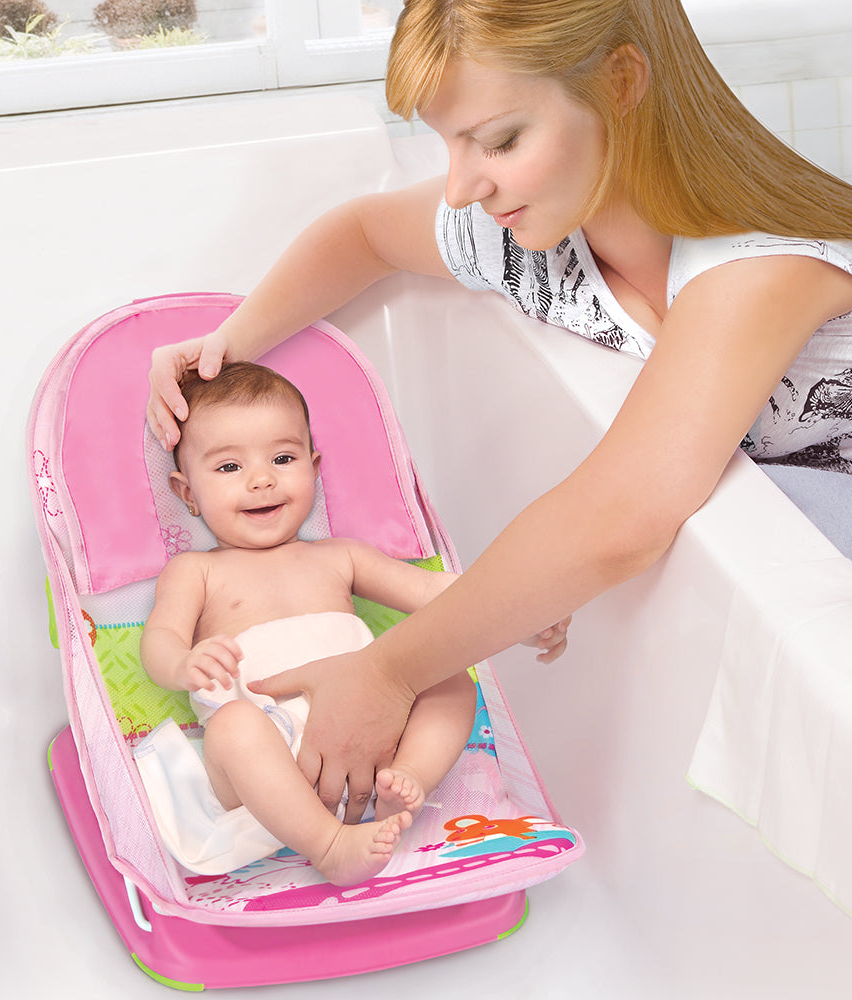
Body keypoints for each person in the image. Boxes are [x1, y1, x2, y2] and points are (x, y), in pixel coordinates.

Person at [145, 0, 852, 825]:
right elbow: (365, 236)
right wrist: (227, 347)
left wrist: (386, 673)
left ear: (622, 81)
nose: (460, 187)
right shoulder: (529, 237)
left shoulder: (758, 270)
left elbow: (621, 519)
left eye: (500, 141)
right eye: (450, 143)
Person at [138, 360, 570, 884]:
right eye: (229, 467)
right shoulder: (196, 571)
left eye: (283, 458)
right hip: (271, 750)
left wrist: (520, 612)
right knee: (232, 730)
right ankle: (329, 844)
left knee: (449, 675)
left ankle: (406, 779)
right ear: (187, 493)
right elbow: (160, 639)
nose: (261, 479)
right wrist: (183, 663)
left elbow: (437, 596)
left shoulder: (340, 556)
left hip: (375, 734)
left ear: (314, 468)